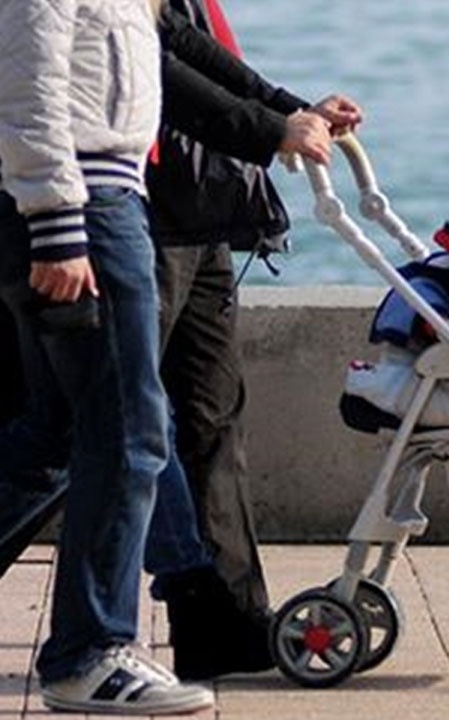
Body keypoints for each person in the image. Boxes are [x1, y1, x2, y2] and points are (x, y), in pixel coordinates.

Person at [0, 0, 215, 713]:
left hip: (99, 196)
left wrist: (281, 121)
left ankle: (91, 649)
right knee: (129, 428)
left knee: (60, 432)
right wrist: (58, 225)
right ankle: (88, 654)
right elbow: (27, 80)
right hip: (80, 205)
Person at [142, 0, 362, 680]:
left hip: (204, 214)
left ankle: (229, 632)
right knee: (92, 435)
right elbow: (158, 73)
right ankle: (112, 632)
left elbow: (202, 55)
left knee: (213, 423)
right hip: (138, 218)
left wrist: (298, 115)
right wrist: (273, 129)